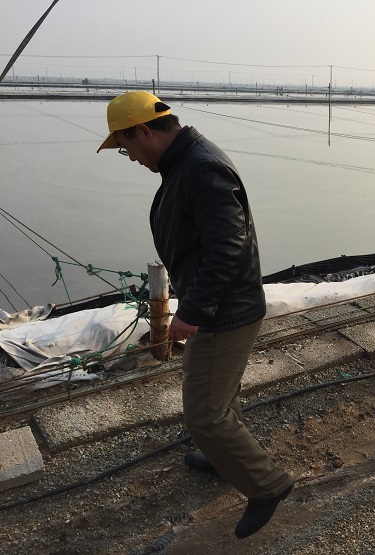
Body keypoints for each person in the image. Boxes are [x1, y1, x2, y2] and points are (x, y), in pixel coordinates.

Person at [97, 91, 294, 538]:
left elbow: (227, 247)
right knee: (219, 397)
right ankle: (225, 458)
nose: (131, 158)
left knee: (205, 415)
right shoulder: (186, 162)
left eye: (127, 148)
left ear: (144, 131)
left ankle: (267, 485)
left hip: (224, 311)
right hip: (222, 305)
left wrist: (193, 310)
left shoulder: (201, 167)